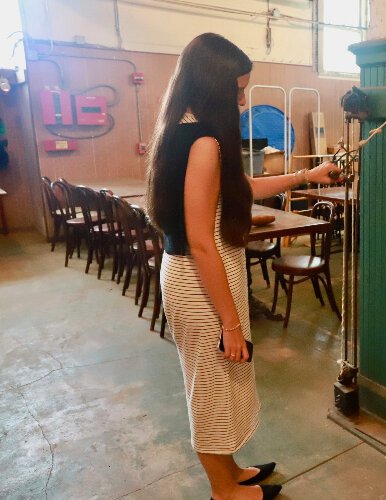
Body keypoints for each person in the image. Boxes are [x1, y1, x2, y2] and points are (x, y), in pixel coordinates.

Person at [145, 33, 340, 500]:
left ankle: (229, 471)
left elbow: (241, 186)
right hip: (199, 281)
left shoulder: (185, 126)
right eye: (237, 91)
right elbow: (199, 241)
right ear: (213, 88)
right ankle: (223, 492)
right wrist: (231, 322)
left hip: (204, 276)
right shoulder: (204, 141)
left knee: (221, 383)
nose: (242, 99)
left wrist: (305, 176)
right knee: (210, 389)